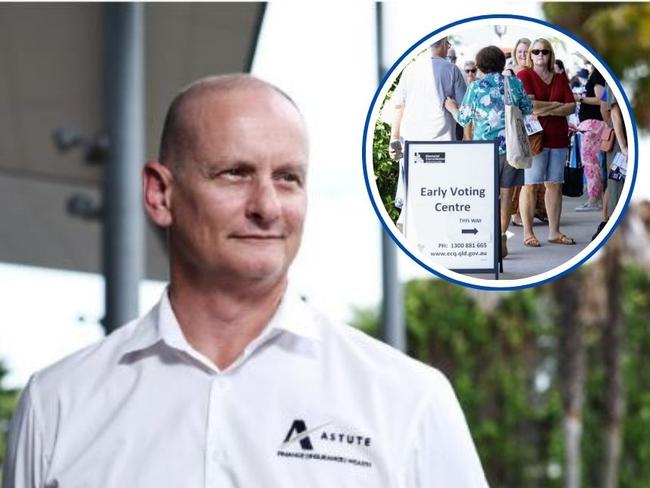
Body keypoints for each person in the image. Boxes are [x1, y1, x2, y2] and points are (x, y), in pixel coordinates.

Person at [3, 75, 488, 487]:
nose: (267, 206)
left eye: (288, 178)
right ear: (159, 194)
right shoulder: (58, 404)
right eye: (235, 174)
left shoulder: (408, 400)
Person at [444, 45, 533, 259]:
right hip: (511, 148)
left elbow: (464, 119)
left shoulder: (476, 86)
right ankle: (502, 238)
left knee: (485, 196)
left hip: (484, 150)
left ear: (481, 65)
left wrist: (451, 107)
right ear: (501, 63)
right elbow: (528, 109)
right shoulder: (514, 82)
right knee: (506, 194)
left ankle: (487, 239)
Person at [389, 37, 467, 227]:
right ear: (441, 45)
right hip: (443, 143)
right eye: (447, 43)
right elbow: (465, 110)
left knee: (413, 194)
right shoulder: (452, 70)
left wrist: (394, 141)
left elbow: (399, 107)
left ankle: (409, 228)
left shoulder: (410, 70)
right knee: (439, 195)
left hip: (411, 143)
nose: (449, 46)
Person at [517, 38, 577, 247]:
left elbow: (571, 107)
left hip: (559, 138)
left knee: (555, 184)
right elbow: (530, 105)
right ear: (530, 55)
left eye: (545, 51)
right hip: (536, 140)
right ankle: (527, 232)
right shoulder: (524, 75)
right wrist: (556, 105)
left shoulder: (560, 78)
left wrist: (546, 108)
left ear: (551, 54)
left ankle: (554, 231)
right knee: (531, 185)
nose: (540, 55)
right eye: (535, 52)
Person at [575, 63, 607, 211]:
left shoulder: (597, 74)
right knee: (592, 162)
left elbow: (600, 99)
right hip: (592, 124)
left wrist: (579, 98)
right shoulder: (596, 73)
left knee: (590, 163)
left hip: (592, 124)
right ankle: (597, 198)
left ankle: (594, 199)